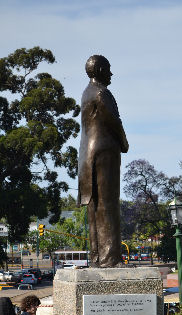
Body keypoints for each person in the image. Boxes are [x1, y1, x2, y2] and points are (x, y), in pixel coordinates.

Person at [78, 54, 129, 267]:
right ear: (99, 71)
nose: (111, 74)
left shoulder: (86, 93)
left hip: (87, 154)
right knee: (107, 205)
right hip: (104, 152)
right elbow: (115, 122)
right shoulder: (101, 93)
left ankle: (97, 258)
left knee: (95, 206)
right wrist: (124, 143)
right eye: (108, 69)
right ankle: (111, 259)